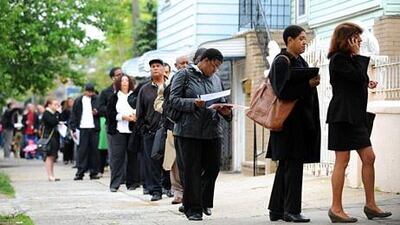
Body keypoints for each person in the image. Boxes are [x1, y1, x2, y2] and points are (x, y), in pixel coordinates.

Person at [326, 22, 392, 223]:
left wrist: (366, 82)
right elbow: (355, 75)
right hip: (342, 116)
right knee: (342, 160)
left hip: (356, 117)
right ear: (347, 39)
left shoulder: (351, 59)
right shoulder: (337, 59)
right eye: (356, 37)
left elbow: (357, 79)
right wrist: (360, 67)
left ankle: (370, 205)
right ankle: (336, 208)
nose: (360, 41)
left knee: (369, 157)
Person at [266, 25, 321, 223]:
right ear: (289, 40)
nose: (304, 42)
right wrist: (307, 84)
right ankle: (292, 211)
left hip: (298, 123)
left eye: (305, 39)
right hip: (288, 124)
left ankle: (277, 210)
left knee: (286, 167)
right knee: (293, 167)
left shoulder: (300, 60)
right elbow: (282, 92)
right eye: (301, 39)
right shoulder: (281, 61)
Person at [170, 48, 232, 221]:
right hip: (188, 131)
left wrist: (226, 112)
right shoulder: (184, 75)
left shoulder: (216, 79)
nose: (216, 70)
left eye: (218, 67)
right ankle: (193, 209)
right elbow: (173, 100)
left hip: (212, 130)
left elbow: (222, 101)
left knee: (213, 167)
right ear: (204, 60)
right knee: (191, 171)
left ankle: (203, 201)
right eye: (214, 65)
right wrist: (193, 103)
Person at [154, 55, 190, 204]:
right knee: (174, 161)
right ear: (176, 66)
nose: (185, 65)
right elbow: (158, 102)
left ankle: (190, 191)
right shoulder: (169, 83)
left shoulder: (195, 79)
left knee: (190, 161)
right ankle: (178, 192)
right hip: (173, 127)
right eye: (182, 63)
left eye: (187, 63)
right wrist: (169, 111)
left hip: (191, 127)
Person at [136, 58, 168, 201]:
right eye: (153, 67)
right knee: (152, 162)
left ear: (163, 69)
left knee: (168, 160)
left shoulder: (170, 86)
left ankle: (168, 187)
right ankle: (156, 190)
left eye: (158, 66)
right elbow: (139, 112)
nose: (155, 68)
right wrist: (143, 128)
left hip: (169, 130)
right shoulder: (145, 89)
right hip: (151, 131)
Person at [107, 74, 140, 192]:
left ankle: (132, 182)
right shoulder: (114, 97)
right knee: (117, 157)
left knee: (133, 157)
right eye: (122, 81)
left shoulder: (135, 96)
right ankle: (115, 183)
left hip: (132, 130)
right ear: (118, 83)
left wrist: (135, 116)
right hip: (118, 130)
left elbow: (141, 109)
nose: (124, 83)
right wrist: (123, 117)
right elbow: (109, 114)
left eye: (127, 80)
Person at [70, 83, 101, 180]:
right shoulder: (79, 100)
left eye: (91, 92)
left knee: (94, 151)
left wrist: (97, 112)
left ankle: (94, 172)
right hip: (82, 128)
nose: (90, 93)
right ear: (85, 91)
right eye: (88, 91)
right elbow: (74, 114)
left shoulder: (97, 99)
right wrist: (73, 128)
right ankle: (80, 172)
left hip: (94, 128)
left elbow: (102, 110)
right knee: (82, 151)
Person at [98, 67, 123, 170]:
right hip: (112, 125)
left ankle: (126, 176)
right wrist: (113, 111)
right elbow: (100, 108)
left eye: (122, 74)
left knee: (125, 151)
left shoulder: (129, 91)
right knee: (114, 152)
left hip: (127, 124)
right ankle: (116, 175)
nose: (121, 76)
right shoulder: (105, 92)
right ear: (113, 78)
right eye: (118, 75)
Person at [41, 98, 61, 181]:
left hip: (54, 136)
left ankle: (52, 174)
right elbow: (53, 122)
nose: (57, 106)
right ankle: (50, 175)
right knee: (49, 156)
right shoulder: (47, 113)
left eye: (57, 104)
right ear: (49, 105)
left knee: (53, 156)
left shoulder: (53, 113)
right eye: (55, 104)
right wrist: (57, 113)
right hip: (48, 136)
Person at [60, 98, 74, 164]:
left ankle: (71, 158)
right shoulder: (65, 111)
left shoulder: (75, 109)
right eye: (70, 102)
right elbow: (62, 119)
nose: (71, 103)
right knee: (66, 144)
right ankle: (66, 158)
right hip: (66, 128)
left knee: (72, 144)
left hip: (72, 127)